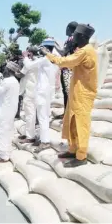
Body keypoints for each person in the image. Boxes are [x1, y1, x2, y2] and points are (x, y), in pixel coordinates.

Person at [42, 24, 97, 168]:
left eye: (77, 35)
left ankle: (81, 156)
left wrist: (47, 53)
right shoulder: (83, 50)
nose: (74, 37)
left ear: (84, 37)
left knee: (81, 125)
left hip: (84, 94)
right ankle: (73, 149)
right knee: (72, 122)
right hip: (76, 92)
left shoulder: (85, 51)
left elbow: (65, 62)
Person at [0, 62, 20, 163]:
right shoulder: (15, 81)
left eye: (6, 69)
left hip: (4, 110)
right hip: (9, 110)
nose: (4, 70)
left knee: (1, 131)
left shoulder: (8, 81)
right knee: (5, 130)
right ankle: (3, 152)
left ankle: (3, 156)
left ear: (8, 70)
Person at [31, 39, 59, 152]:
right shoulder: (54, 58)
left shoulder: (46, 58)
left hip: (42, 91)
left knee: (42, 117)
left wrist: (27, 56)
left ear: (45, 48)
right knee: (44, 116)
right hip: (48, 91)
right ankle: (43, 138)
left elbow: (29, 65)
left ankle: (45, 142)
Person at [54, 21, 78, 119]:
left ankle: (67, 114)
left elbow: (63, 52)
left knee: (67, 92)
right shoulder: (76, 39)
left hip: (67, 70)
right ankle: (68, 113)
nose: (65, 30)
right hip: (72, 69)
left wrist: (53, 45)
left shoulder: (71, 39)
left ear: (69, 28)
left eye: (66, 28)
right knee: (68, 92)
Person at [17, 47, 40, 144]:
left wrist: (12, 70)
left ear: (30, 53)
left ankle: (30, 136)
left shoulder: (33, 63)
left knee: (30, 114)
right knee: (28, 114)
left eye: (27, 53)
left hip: (30, 91)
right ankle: (28, 134)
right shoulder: (33, 62)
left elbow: (21, 74)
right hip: (30, 91)